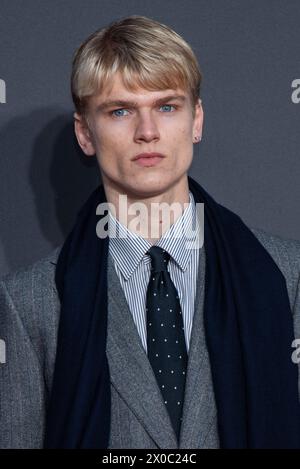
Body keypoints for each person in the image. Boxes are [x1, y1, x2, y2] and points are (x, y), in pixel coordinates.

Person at [1, 15, 300, 449]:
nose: (147, 132)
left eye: (167, 106)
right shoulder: (30, 302)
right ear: (85, 133)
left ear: (196, 120)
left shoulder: (288, 277)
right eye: (120, 111)